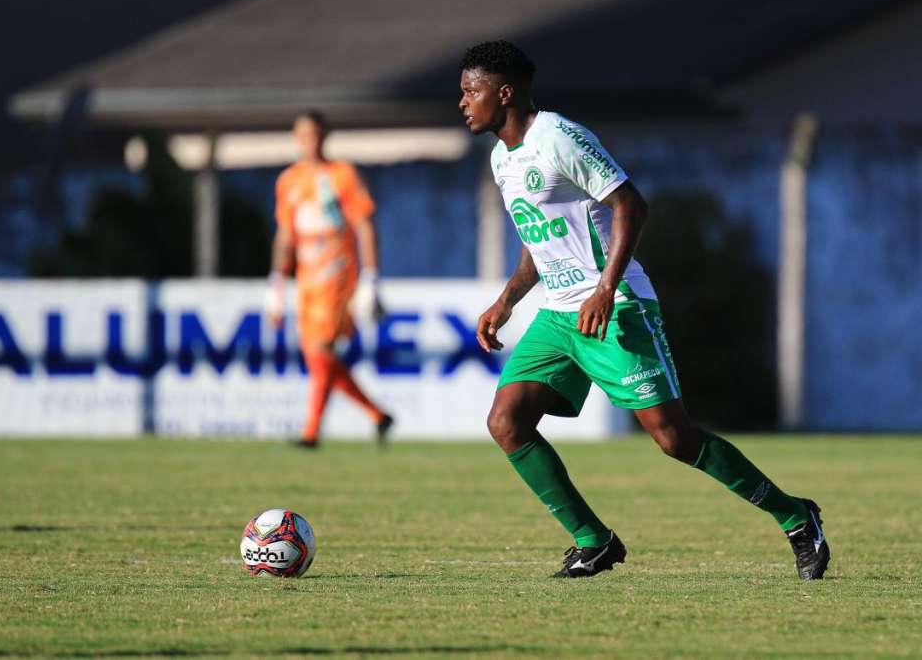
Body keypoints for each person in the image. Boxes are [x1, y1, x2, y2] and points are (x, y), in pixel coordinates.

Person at [460, 41, 829, 579]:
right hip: (561, 316)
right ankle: (593, 540)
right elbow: (536, 242)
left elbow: (630, 203)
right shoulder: (501, 158)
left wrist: (606, 288)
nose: (463, 102)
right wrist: (505, 301)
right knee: (507, 421)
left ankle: (795, 516)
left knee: (674, 439)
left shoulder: (558, 137)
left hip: (615, 307)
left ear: (505, 92)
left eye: (472, 91)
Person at [266, 110, 394, 448]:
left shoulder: (342, 175)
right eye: (303, 134)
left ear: (325, 135)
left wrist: (371, 277)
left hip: (336, 271)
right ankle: (378, 415)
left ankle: (311, 432)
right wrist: (276, 285)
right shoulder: (288, 181)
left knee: (321, 348)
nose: (309, 140)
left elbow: (365, 225)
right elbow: (285, 236)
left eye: (315, 133)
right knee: (317, 357)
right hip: (305, 277)